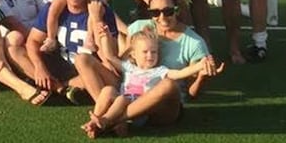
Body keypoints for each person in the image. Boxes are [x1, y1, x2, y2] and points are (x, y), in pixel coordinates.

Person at [84, 26, 224, 138]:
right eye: (145, 52)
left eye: (154, 52)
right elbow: (109, 56)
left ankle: (106, 121)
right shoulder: (129, 67)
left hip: (139, 111)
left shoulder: (160, 71)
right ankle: (95, 123)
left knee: (122, 98)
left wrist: (200, 66)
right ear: (133, 54)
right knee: (107, 90)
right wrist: (105, 36)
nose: (150, 56)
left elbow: (179, 74)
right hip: (121, 104)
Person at [24, 0, 118, 103]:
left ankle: (60, 88)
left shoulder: (100, 9)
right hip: (60, 65)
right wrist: (39, 68)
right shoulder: (53, 8)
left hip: (89, 70)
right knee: (15, 49)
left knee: (83, 61)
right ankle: (61, 88)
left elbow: (110, 55)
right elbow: (32, 41)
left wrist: (97, 19)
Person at [127, 0, 221, 99]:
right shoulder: (136, 28)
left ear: (177, 10)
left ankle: (121, 115)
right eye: (155, 12)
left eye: (168, 12)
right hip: (134, 92)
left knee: (167, 85)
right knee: (107, 86)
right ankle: (112, 115)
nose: (162, 18)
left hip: (167, 100)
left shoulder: (195, 43)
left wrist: (201, 77)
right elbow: (122, 63)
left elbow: (191, 93)